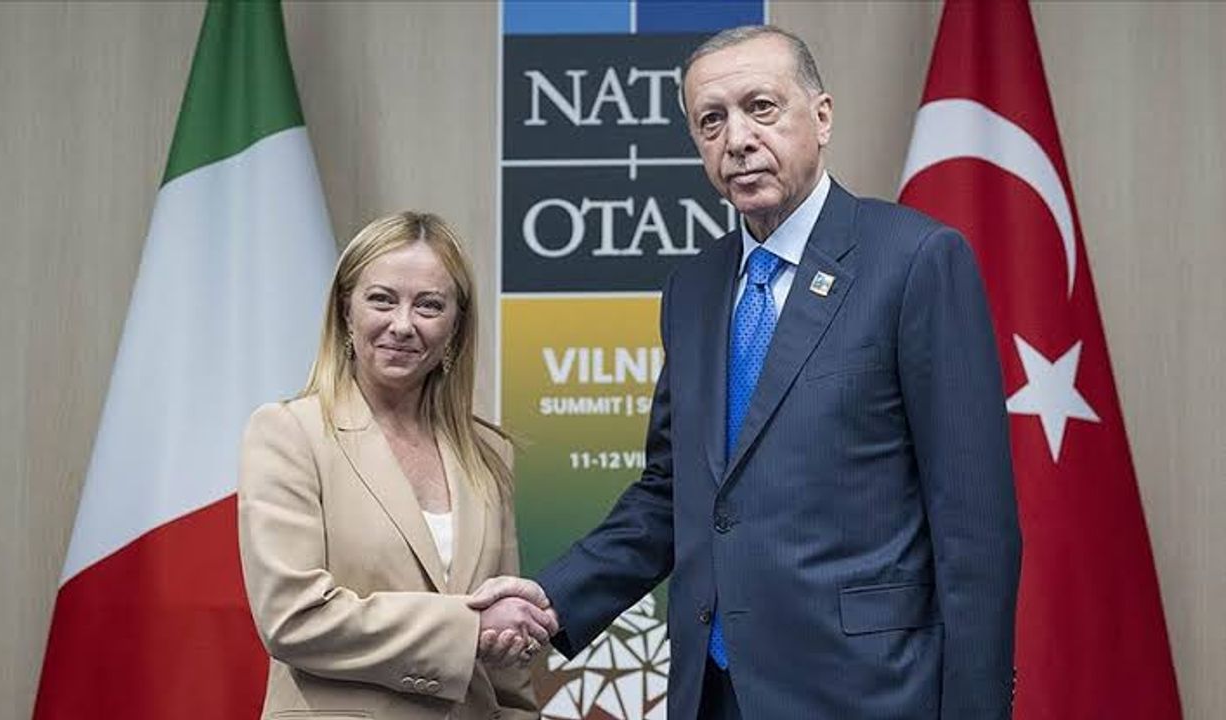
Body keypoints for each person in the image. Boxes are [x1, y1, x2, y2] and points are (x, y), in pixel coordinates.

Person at [469, 25, 1022, 720]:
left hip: (867, 692)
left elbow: (975, 524)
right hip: (712, 692)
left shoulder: (915, 261)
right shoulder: (693, 288)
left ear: (822, 118)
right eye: (711, 120)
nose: (736, 139)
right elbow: (674, 493)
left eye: (761, 107)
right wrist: (553, 599)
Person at [238, 211, 554, 720]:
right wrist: (466, 629)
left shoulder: (488, 451)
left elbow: (507, 674)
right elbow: (293, 619)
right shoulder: (288, 432)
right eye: (382, 299)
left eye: (429, 305)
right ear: (346, 310)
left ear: (455, 326)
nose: (403, 325)